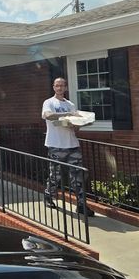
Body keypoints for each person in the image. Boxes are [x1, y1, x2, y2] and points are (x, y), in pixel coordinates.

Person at [41, 77, 94, 216]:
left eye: (62, 86)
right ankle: (49, 196)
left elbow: (75, 127)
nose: (59, 88)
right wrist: (68, 114)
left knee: (78, 176)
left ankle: (81, 205)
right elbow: (48, 116)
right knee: (55, 176)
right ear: (53, 87)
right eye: (57, 85)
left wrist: (80, 123)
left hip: (72, 144)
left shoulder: (70, 104)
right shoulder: (49, 102)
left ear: (65, 88)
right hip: (55, 145)